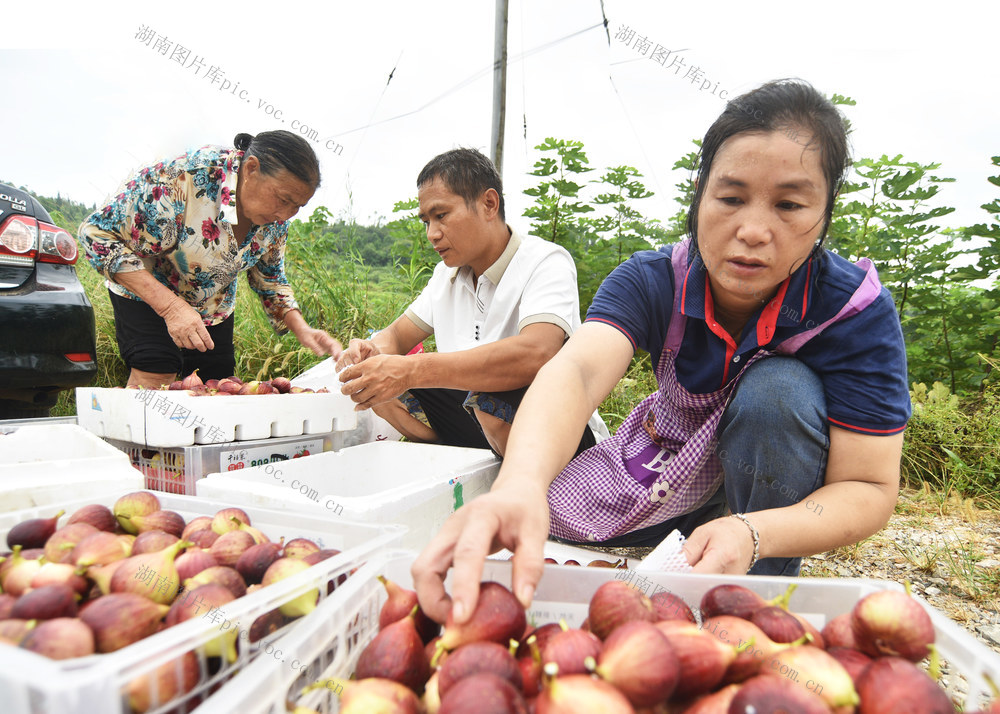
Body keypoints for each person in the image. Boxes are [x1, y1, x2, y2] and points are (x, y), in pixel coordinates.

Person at [412, 80, 911, 625]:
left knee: (778, 392)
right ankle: (696, 529)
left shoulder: (852, 312)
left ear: (826, 210)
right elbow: (577, 372)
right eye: (730, 198)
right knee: (546, 513)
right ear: (699, 194)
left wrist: (754, 532)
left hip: (765, 499)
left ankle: (756, 599)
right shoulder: (654, 280)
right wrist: (520, 485)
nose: (752, 231)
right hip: (670, 463)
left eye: (789, 205)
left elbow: (868, 485)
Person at [336, 148, 597, 458]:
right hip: (478, 429)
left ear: (489, 204)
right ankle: (453, 462)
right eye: (426, 221)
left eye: (441, 216)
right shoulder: (445, 276)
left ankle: (521, 478)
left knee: (491, 395)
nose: (432, 234)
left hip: (556, 437)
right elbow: (395, 336)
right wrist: (370, 352)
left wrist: (412, 369)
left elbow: (538, 352)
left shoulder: (545, 262)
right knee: (377, 385)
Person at [80, 130, 342, 388]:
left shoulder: (276, 221)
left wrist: (302, 329)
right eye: (283, 199)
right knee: (156, 373)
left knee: (216, 386)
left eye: (297, 206)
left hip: (211, 307)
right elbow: (95, 233)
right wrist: (171, 308)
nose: (285, 214)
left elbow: (270, 279)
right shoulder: (181, 176)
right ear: (251, 168)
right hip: (147, 290)